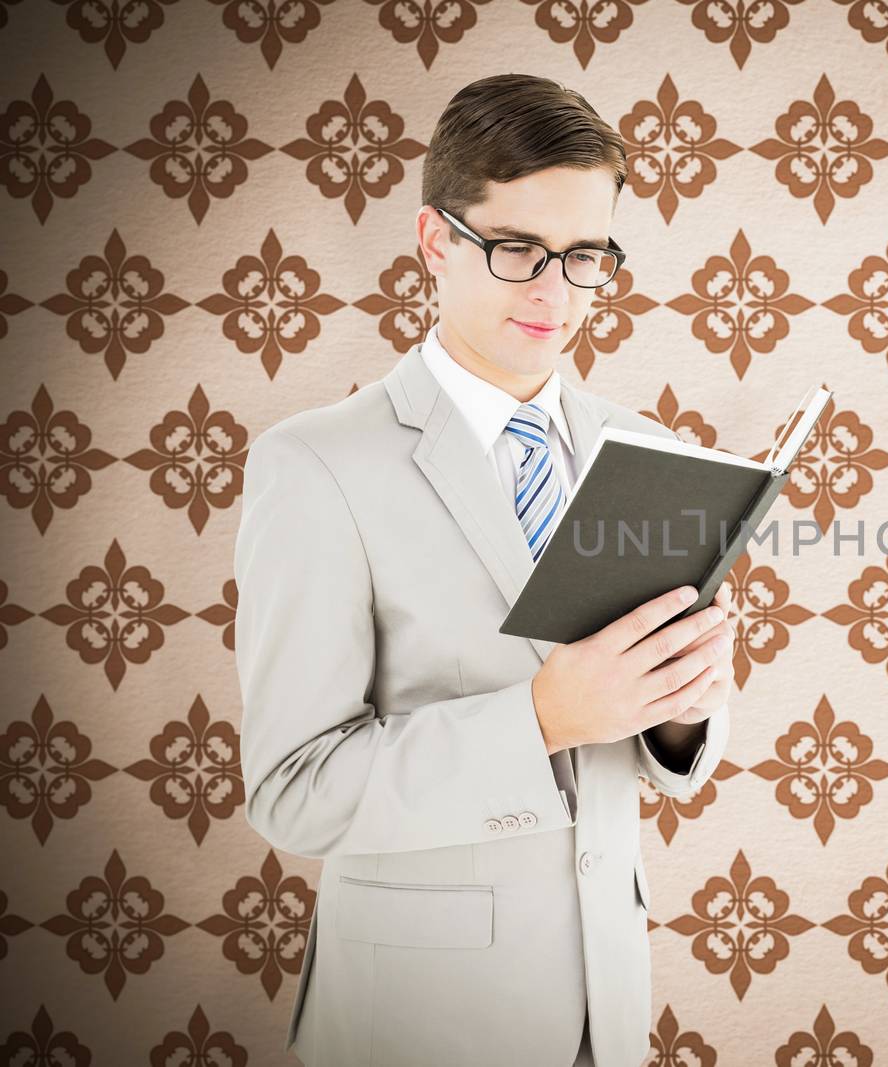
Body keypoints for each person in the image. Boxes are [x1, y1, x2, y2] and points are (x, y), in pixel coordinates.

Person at [232, 73, 735, 1066]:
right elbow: (294, 789)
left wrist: (680, 702)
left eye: (585, 256)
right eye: (517, 251)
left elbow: (648, 751)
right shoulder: (316, 464)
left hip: (610, 1005)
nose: (555, 291)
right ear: (434, 242)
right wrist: (541, 717)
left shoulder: (647, 454)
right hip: (417, 1020)